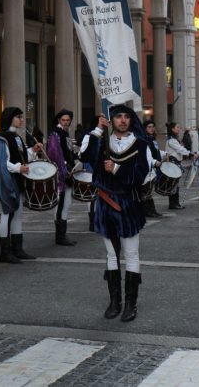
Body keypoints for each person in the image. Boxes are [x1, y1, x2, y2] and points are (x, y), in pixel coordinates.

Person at [81, 105, 151, 322]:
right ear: (111, 120)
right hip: (105, 203)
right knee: (111, 254)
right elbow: (86, 157)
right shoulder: (101, 141)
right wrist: (98, 131)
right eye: (118, 117)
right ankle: (115, 301)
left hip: (128, 204)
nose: (122, 120)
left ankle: (131, 303)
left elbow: (141, 175)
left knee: (131, 254)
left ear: (130, 120)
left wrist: (117, 169)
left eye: (126, 117)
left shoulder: (141, 144)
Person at [0, 107, 42, 263]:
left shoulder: (17, 137)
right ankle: (5, 252)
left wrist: (33, 151)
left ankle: (17, 249)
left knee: (18, 215)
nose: (22, 119)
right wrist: (18, 168)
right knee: (7, 214)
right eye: (19, 117)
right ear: (10, 118)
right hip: (8, 180)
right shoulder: (1, 138)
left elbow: (21, 156)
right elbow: (2, 162)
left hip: (18, 180)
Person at [47, 109, 77, 246]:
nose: (66, 122)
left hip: (68, 172)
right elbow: (54, 155)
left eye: (68, 120)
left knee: (67, 204)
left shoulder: (65, 134)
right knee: (61, 205)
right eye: (63, 120)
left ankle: (62, 235)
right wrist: (64, 170)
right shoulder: (55, 134)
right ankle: (60, 237)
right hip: (61, 174)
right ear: (59, 120)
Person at [165, 122, 198, 209]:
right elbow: (180, 149)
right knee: (173, 183)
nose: (179, 129)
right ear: (172, 129)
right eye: (177, 127)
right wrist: (191, 154)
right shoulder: (171, 140)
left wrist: (190, 153)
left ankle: (175, 203)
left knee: (175, 183)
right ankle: (173, 204)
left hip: (176, 163)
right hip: (173, 163)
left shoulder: (174, 139)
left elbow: (181, 149)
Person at [142, 119, 166, 218]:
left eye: (153, 126)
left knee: (149, 191)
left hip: (153, 168)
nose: (152, 129)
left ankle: (151, 210)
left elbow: (155, 151)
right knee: (147, 190)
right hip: (146, 168)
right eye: (149, 127)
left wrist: (164, 153)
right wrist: (155, 162)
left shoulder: (152, 138)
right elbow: (146, 155)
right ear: (145, 128)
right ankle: (147, 211)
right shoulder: (144, 139)